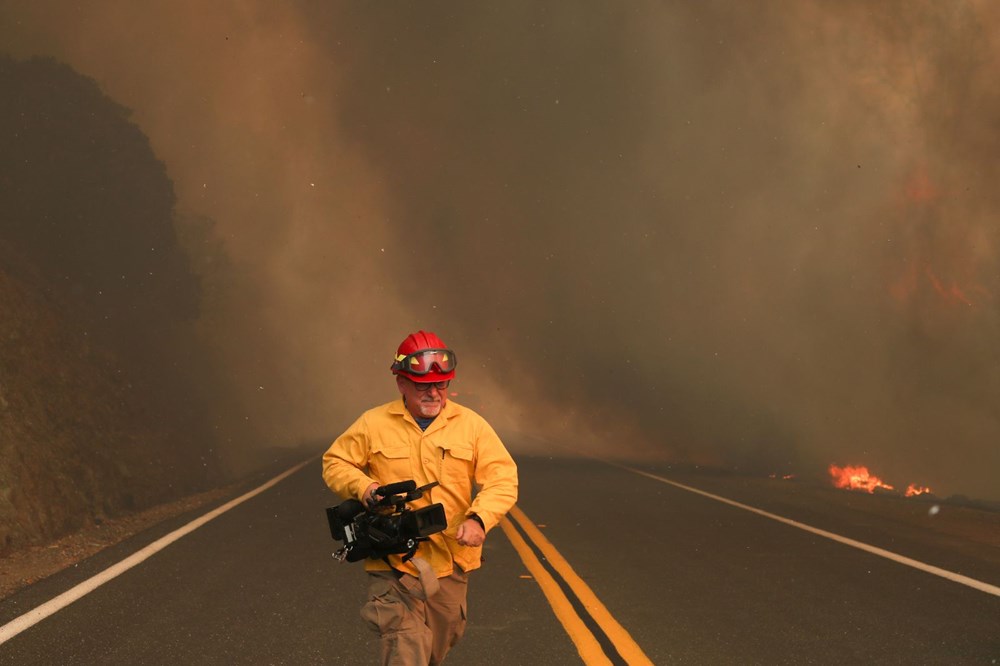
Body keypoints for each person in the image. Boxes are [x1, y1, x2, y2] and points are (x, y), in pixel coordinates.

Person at [322, 330, 518, 665]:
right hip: (394, 563)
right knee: (405, 647)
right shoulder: (373, 423)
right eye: (422, 385)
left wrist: (479, 518)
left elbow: (503, 478)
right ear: (401, 383)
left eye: (440, 385)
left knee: (438, 645)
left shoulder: (471, 426)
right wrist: (364, 487)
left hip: (450, 561)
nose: (433, 393)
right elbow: (335, 461)